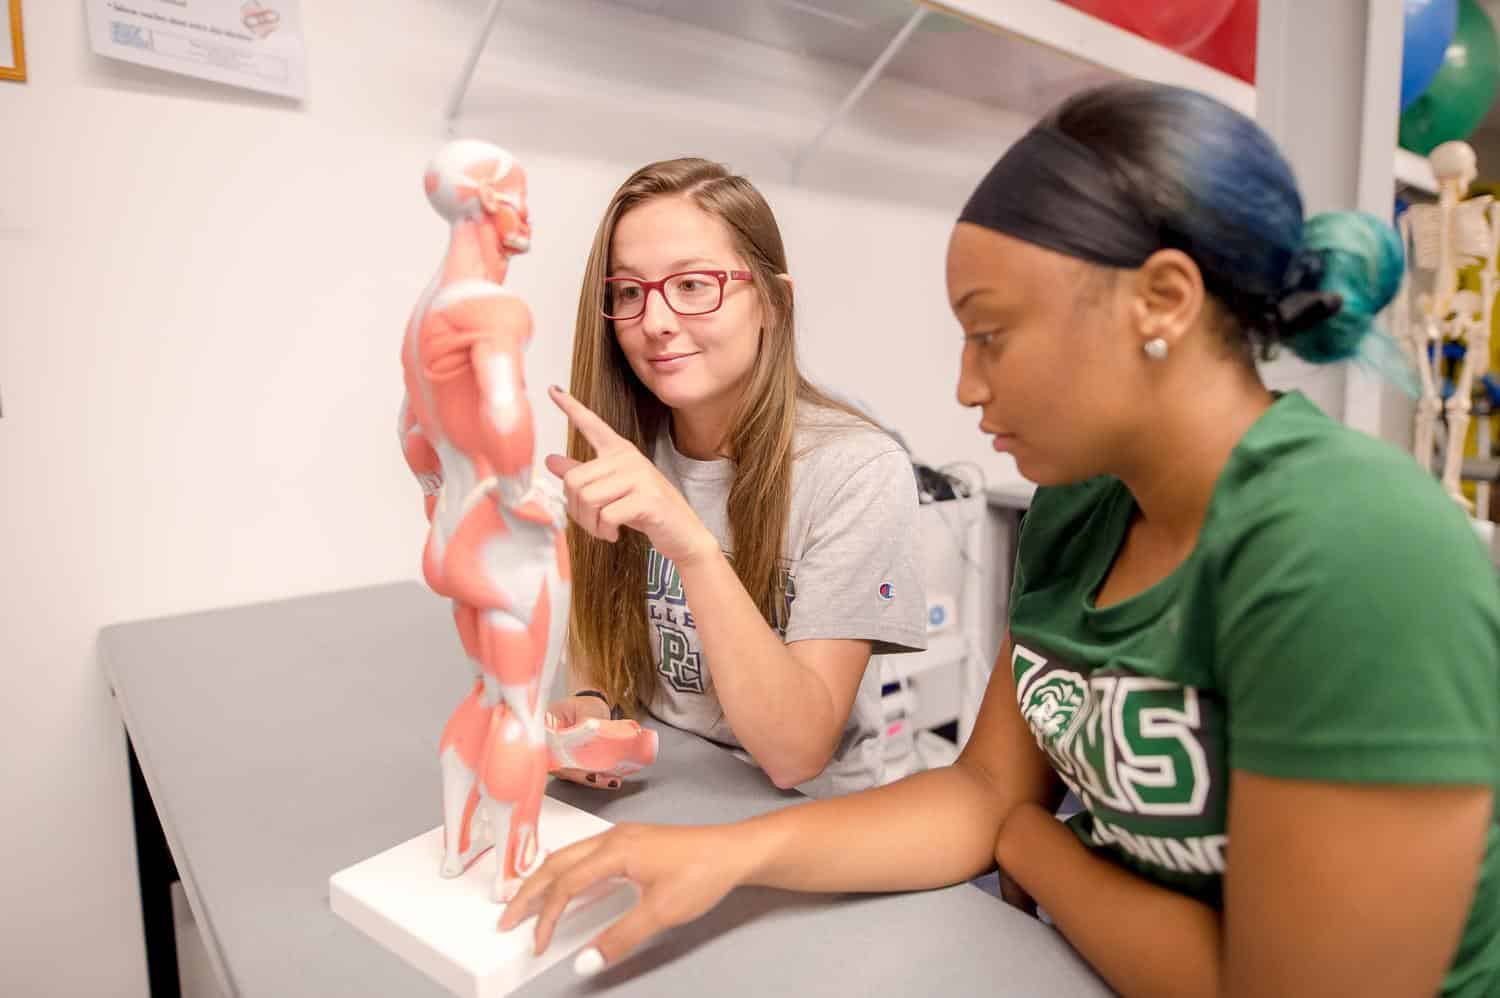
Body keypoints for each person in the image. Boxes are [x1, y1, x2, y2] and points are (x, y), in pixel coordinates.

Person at [502, 82, 1500, 997]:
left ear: (1161, 300)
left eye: (992, 335)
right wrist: (727, 855)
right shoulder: (1080, 508)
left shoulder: (1359, 548)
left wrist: (1034, 844)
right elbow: (981, 788)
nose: (967, 388)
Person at [543, 157, 928, 799]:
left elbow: (796, 754)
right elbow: (599, 625)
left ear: (773, 303)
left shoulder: (858, 470)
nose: (656, 321)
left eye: (693, 284)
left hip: (807, 821)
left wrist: (688, 542)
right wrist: (592, 701)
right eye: (630, 291)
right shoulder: (625, 448)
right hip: (663, 795)